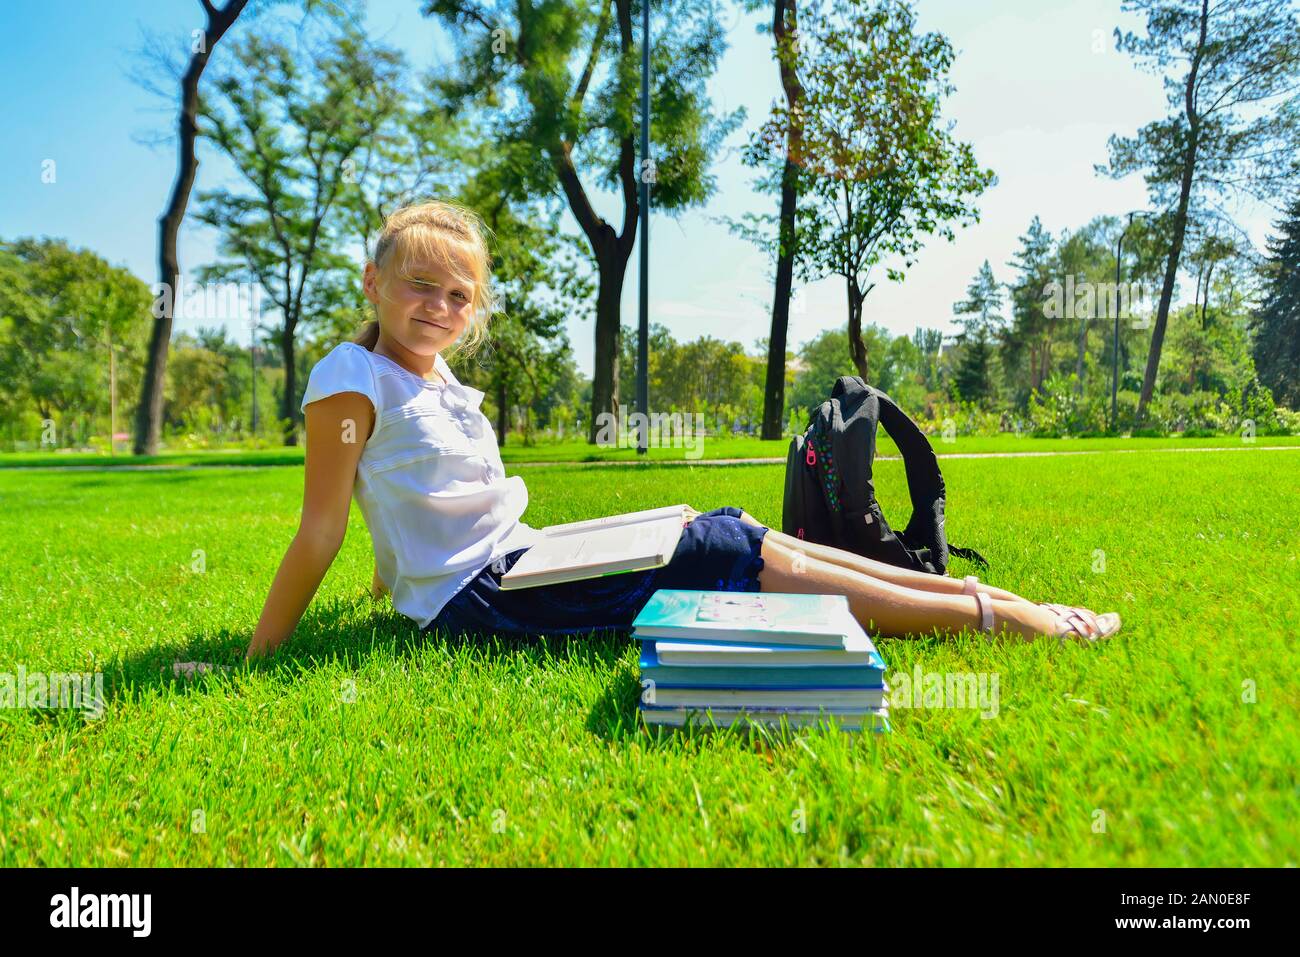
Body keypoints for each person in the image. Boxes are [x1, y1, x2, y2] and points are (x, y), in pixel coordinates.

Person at [243, 200, 1120, 660]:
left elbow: (405, 504)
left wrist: (386, 583)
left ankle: (1006, 605)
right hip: (483, 599)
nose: (437, 306)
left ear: (473, 311)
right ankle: (994, 617)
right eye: (418, 286)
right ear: (372, 284)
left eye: (457, 295)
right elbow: (324, 521)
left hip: (521, 555)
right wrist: (257, 658)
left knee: (724, 526)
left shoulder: (444, 383)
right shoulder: (350, 375)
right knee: (713, 552)